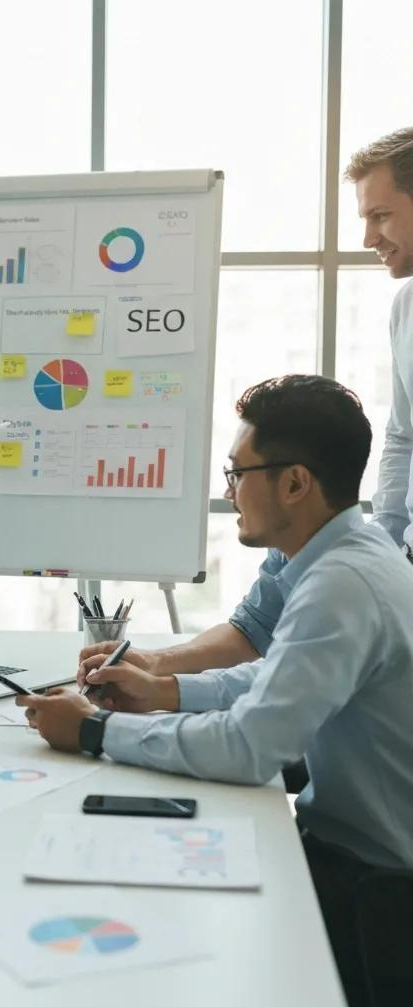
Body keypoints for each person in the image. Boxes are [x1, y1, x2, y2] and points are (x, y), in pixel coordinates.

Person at [17, 375, 413, 1007]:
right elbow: (280, 675)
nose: (229, 492)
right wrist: (166, 690)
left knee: (155, 943)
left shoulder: (341, 584)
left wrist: (93, 731)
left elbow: (249, 747)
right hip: (354, 856)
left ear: (294, 483)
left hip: (378, 892)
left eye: (238, 473)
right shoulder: (353, 552)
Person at [78, 125, 413, 689]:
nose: (367, 237)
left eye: (380, 216)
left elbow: (264, 715)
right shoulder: (405, 307)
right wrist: (393, 545)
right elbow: (403, 437)